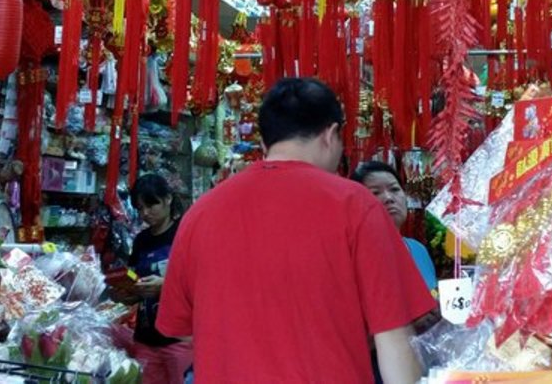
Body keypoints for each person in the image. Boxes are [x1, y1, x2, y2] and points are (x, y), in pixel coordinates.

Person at [157, 78, 435, 384]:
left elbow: (182, 331)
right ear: (331, 135)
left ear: (264, 143)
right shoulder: (356, 206)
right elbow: (393, 337)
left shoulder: (201, 213)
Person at [127, 173, 192, 384]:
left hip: (180, 339)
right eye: (140, 208)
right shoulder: (141, 241)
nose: (146, 213)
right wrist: (124, 291)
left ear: (168, 199)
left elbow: (203, 282)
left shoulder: (186, 233)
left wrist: (165, 286)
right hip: (146, 338)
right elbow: (133, 278)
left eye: (151, 205)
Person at [351, 161, 438, 293]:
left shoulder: (418, 249)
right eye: (375, 192)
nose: (388, 198)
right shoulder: (353, 255)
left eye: (394, 189)